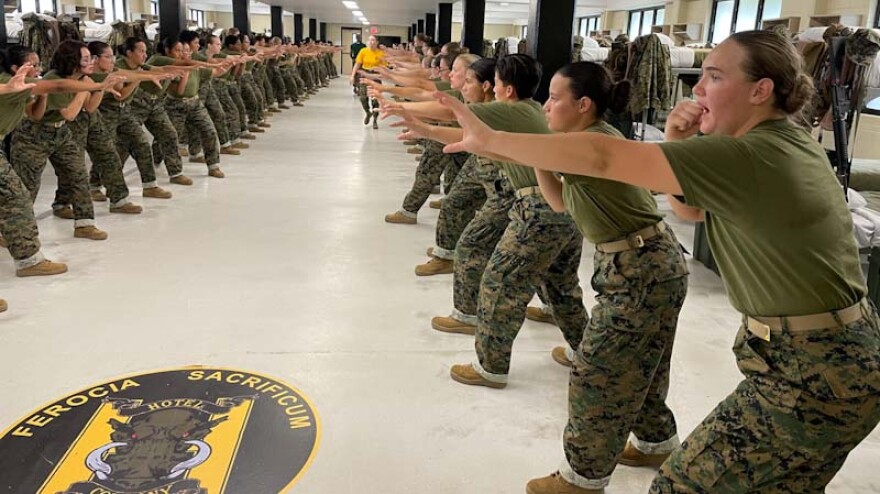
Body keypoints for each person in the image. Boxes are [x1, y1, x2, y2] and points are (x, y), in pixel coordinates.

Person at [420, 30, 880, 494]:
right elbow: (690, 211)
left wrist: (492, 138)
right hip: (827, 362)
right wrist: (677, 138)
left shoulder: (749, 152)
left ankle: (583, 477)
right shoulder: (782, 142)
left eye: (715, 77)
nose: (698, 89)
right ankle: (646, 444)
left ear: (761, 90)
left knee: (671, 475)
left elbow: (603, 158)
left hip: (813, 373)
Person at [535, 62, 688, 492]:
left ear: (583, 104)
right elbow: (560, 202)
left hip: (639, 270)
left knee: (597, 375)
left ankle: (582, 478)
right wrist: (540, 159)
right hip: (649, 264)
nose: (546, 106)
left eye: (555, 98)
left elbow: (503, 145)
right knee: (642, 366)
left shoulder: (588, 144)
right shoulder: (584, 140)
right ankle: (657, 443)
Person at [11, 40, 110, 240]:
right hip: (33, 136)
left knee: (78, 173)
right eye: (85, 59)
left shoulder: (80, 79)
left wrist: (98, 87)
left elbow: (90, 107)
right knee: (28, 186)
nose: (91, 62)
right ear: (72, 62)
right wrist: (85, 88)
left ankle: (84, 224)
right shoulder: (54, 80)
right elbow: (70, 114)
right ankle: (13, 231)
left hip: (60, 131)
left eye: (91, 58)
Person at [351, 35, 386, 129]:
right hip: (364, 74)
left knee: (375, 99)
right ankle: (368, 112)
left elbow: (384, 67)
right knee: (362, 97)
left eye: (373, 40)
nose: (371, 42)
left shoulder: (381, 53)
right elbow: (357, 64)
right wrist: (352, 76)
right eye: (369, 40)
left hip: (375, 76)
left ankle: (375, 119)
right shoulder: (363, 51)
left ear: (377, 42)